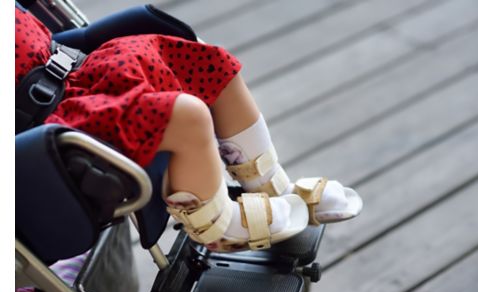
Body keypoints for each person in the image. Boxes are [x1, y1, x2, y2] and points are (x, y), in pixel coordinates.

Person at [15, 6, 362, 253]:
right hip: (47, 122)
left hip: (71, 65)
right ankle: (219, 227)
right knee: (186, 115)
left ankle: (270, 184)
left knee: (211, 63)